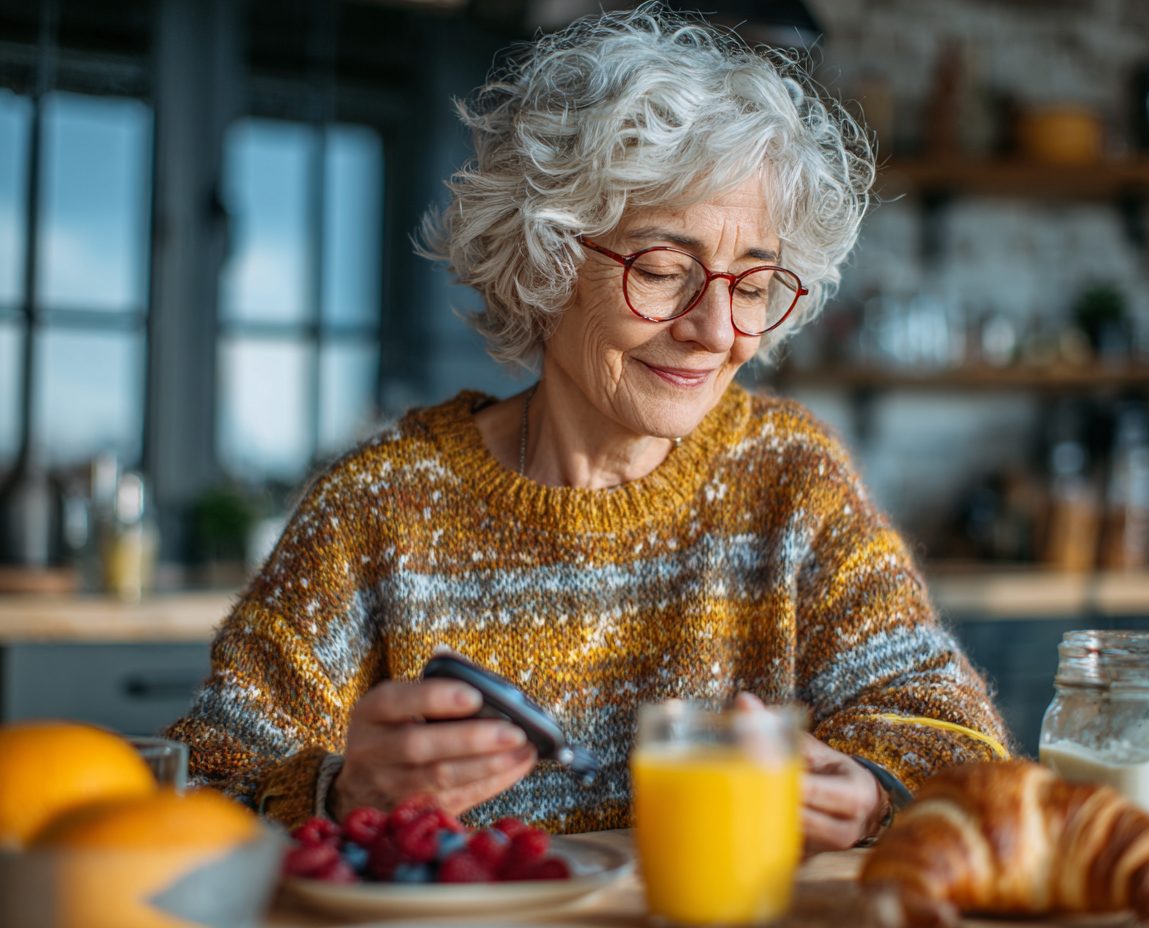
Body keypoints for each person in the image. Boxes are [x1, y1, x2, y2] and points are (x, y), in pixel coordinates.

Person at [167, 5, 1008, 851]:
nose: (716, 329)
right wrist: (337, 793)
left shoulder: (789, 476)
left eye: (752, 286)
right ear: (546, 258)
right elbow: (190, 793)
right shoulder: (379, 508)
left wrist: (874, 792)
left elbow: (957, 737)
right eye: (663, 270)